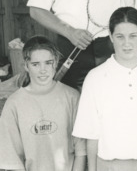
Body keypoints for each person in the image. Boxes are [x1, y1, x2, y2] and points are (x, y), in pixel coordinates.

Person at [72, 7, 137, 171]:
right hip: (109, 165)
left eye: (133, 36)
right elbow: (91, 135)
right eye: (120, 36)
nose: (126, 43)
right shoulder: (95, 78)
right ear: (111, 36)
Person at [0, 36, 86, 171]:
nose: (43, 70)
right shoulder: (14, 103)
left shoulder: (72, 97)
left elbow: (81, 151)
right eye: (35, 64)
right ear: (26, 66)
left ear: (56, 62)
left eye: (48, 62)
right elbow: (12, 159)